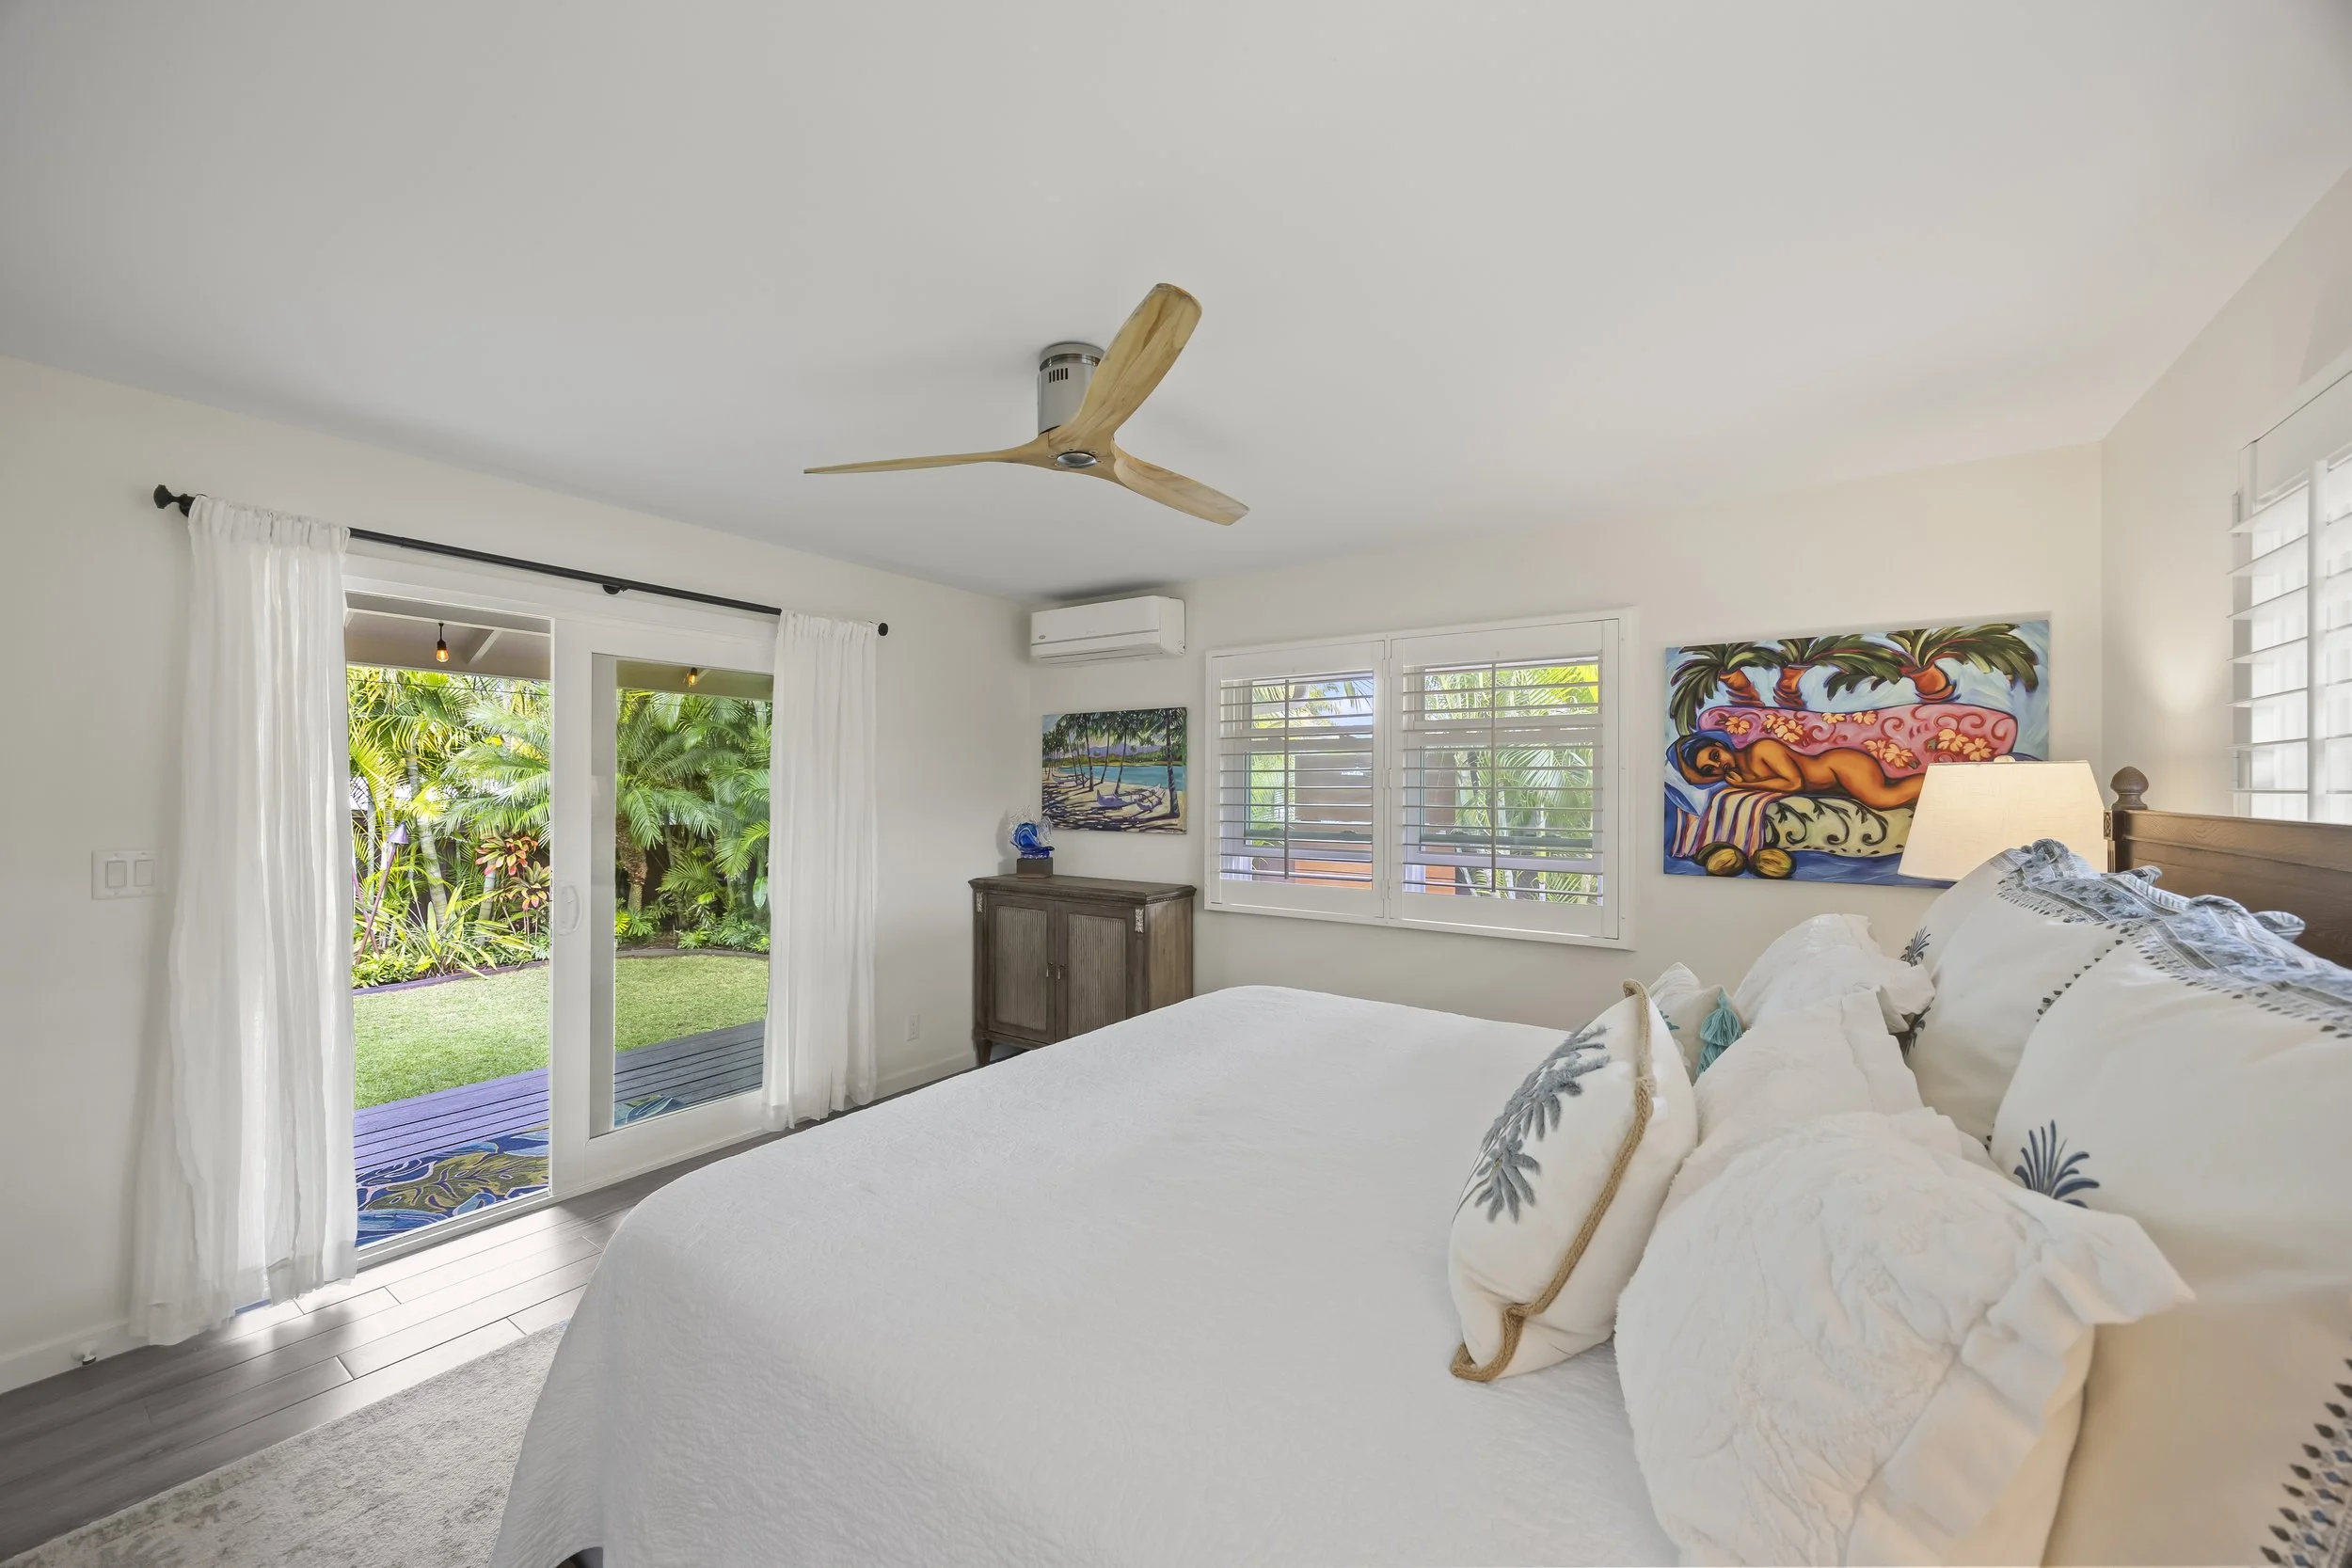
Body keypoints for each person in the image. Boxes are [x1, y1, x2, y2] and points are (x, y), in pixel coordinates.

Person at [1672, 729, 1923, 812]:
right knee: (1892, 792)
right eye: (1711, 768)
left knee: (1882, 799)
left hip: (1841, 766)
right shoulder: (1738, 774)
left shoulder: (1762, 749)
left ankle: (1941, 784)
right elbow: (1691, 782)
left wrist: (1745, 786)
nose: (1719, 765)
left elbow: (1793, 784)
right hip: (1835, 784)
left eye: (1716, 756)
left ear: (1720, 745)